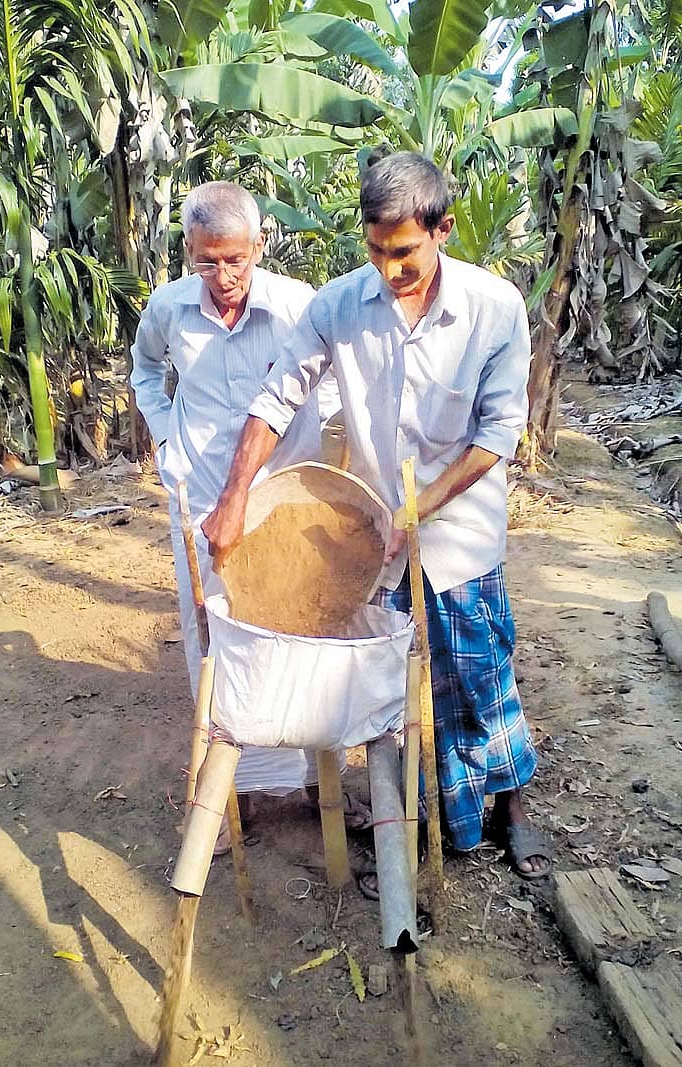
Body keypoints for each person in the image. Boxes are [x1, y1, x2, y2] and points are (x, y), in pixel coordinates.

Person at [201, 153, 552, 880]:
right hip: (376, 535)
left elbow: (495, 436)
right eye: (375, 250)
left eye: (404, 252)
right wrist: (235, 496)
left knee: (477, 671)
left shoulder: (494, 309)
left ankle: (513, 807)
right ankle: (426, 816)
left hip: (458, 534)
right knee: (391, 682)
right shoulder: (339, 305)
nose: (389, 270)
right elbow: (277, 397)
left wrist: (419, 506)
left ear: (443, 230)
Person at [130, 181, 368, 852]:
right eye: (208, 261)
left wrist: (316, 449)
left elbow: (327, 380)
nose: (224, 276)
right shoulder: (170, 310)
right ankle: (227, 793)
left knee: (301, 634)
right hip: (202, 501)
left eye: (236, 259)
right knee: (213, 639)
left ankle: (322, 784)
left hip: (282, 508)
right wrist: (167, 440)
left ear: (260, 245)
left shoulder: (298, 305)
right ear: (188, 253)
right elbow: (145, 371)